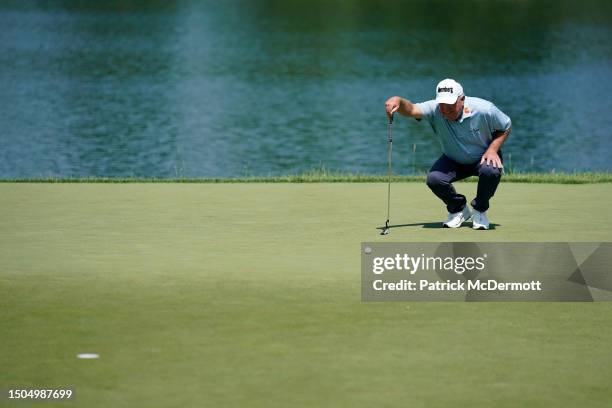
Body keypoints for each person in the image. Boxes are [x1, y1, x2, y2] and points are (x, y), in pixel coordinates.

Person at [384, 79, 512, 230]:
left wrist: (492, 149)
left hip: (483, 156)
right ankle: (458, 209)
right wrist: (398, 100)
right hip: (453, 159)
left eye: (450, 105)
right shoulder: (435, 108)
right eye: (442, 105)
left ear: (462, 99)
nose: (445, 109)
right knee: (434, 179)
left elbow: (506, 126)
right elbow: (411, 109)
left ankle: (480, 210)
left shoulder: (485, 109)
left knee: (490, 171)